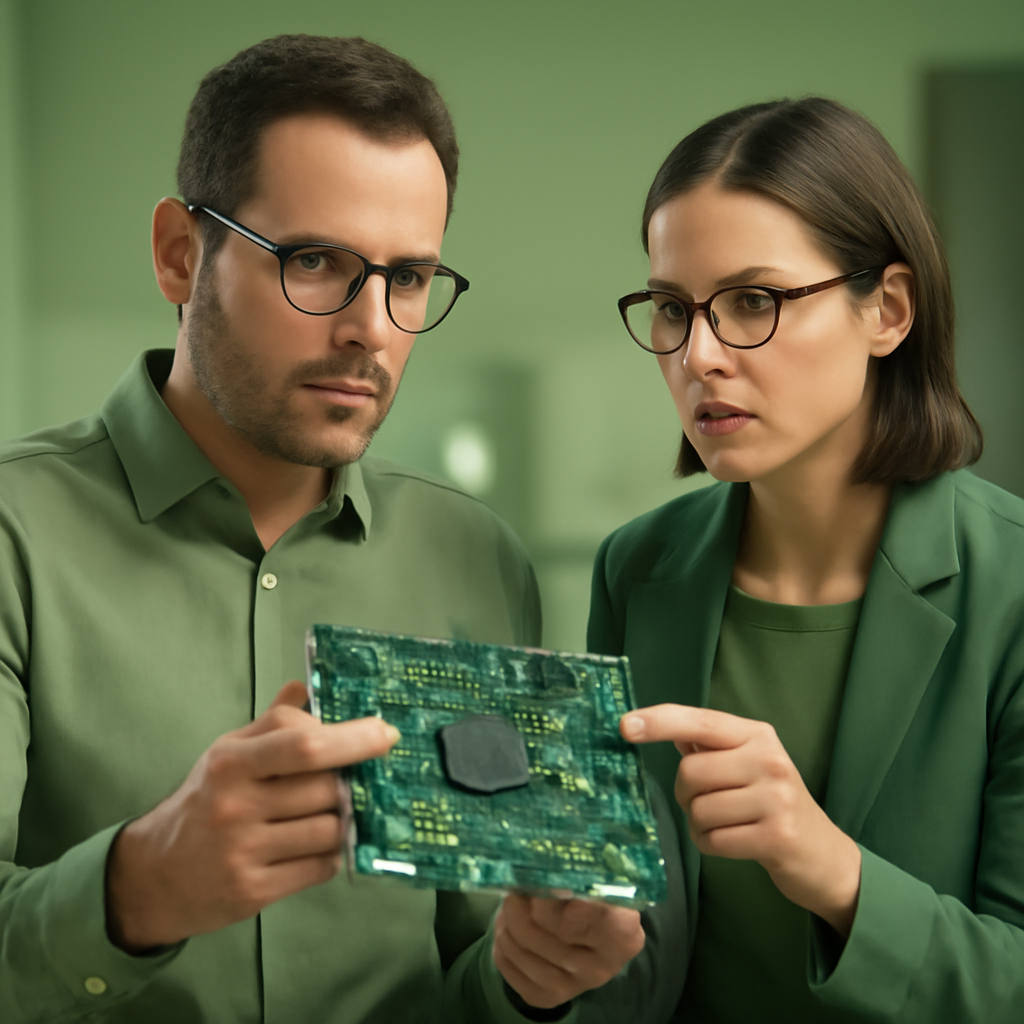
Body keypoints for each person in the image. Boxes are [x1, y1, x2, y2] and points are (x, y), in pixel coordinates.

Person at [0, 35, 648, 1024]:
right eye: (315, 262)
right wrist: (136, 887)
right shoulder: (14, 537)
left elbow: (473, 965)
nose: (372, 327)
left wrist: (530, 978)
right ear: (181, 253)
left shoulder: (478, 558)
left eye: (408, 278)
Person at [588, 97, 1024, 1022]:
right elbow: (632, 959)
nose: (699, 354)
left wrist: (832, 871)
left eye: (754, 301)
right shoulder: (635, 572)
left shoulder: (1013, 589)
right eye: (673, 308)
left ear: (889, 311)